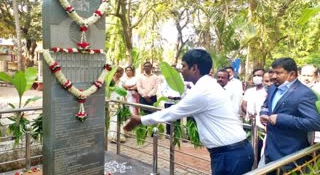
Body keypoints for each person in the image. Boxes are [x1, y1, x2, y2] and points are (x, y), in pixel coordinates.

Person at [124, 49, 254, 175]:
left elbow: (174, 112)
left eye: (184, 66)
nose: (181, 69)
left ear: (194, 68)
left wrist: (141, 120)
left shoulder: (202, 91)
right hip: (232, 152)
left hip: (231, 155)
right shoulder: (208, 85)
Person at [260, 57, 320, 172]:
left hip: (290, 156)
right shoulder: (273, 88)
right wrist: (263, 113)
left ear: (291, 74)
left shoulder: (304, 94)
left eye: (278, 73)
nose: (273, 76)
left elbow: (315, 122)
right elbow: (266, 105)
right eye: (272, 72)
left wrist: (281, 118)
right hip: (269, 151)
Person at [108, 66, 127, 143]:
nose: (122, 74)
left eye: (122, 73)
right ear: (116, 73)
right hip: (112, 101)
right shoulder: (110, 80)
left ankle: (120, 135)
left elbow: (123, 91)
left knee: (120, 118)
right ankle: (113, 135)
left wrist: (124, 98)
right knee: (114, 117)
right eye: (120, 73)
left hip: (120, 101)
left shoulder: (122, 81)